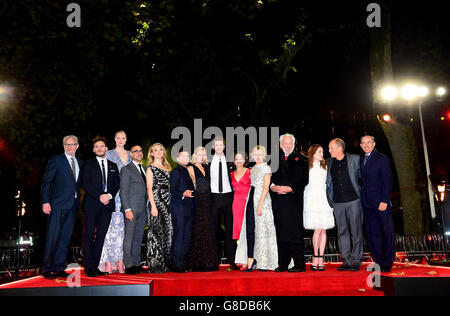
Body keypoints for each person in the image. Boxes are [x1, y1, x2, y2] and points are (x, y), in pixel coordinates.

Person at [41, 135, 83, 279]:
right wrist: (45, 201)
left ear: (77, 146)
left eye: (72, 144)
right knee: (52, 236)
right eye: (66, 144)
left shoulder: (80, 162)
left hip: (73, 206)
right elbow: (46, 182)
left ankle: (59, 267)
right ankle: (46, 268)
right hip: (57, 205)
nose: (69, 147)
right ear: (63, 146)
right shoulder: (56, 160)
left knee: (65, 238)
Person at [81, 136, 120, 277]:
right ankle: (87, 267)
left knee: (101, 237)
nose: (99, 148)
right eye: (96, 146)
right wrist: (100, 196)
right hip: (92, 204)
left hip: (107, 206)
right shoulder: (88, 164)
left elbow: (117, 185)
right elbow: (85, 183)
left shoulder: (113, 166)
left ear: (106, 149)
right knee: (89, 235)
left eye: (102, 146)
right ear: (93, 150)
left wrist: (109, 196)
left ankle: (95, 266)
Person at [235, 145, 278, 271]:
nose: (258, 156)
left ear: (264, 155)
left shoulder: (266, 168)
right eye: (256, 154)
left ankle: (264, 261)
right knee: (251, 230)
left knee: (263, 230)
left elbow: (266, 188)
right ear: (253, 156)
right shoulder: (252, 169)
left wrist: (259, 205)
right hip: (251, 199)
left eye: (260, 154)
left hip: (262, 201)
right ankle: (252, 260)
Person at [270, 134, 308, 272]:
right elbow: (269, 178)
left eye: (290, 143)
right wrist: (272, 187)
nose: (288, 146)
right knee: (281, 232)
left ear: (294, 144)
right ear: (281, 145)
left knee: (295, 233)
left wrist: (291, 188)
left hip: (294, 202)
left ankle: (299, 264)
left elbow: (304, 180)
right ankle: (283, 264)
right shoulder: (273, 160)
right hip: (278, 202)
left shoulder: (302, 160)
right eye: (285, 143)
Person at [326, 138, 363, 272]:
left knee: (356, 231)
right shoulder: (328, 162)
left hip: (353, 201)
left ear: (339, 148)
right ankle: (346, 261)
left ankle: (356, 261)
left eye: (331, 148)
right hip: (337, 203)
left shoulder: (355, 159)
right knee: (342, 233)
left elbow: (362, 178)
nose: (329, 150)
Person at [360, 135, 395, 272]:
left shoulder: (382, 159)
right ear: (361, 146)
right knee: (372, 234)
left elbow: (388, 181)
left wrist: (384, 200)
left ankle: (388, 262)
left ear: (374, 144)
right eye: (363, 143)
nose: (366, 145)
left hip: (381, 203)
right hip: (367, 204)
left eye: (369, 142)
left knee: (386, 232)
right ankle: (379, 262)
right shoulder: (363, 159)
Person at [99, 131, 132, 274]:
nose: (120, 140)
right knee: (109, 229)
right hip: (113, 195)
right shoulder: (109, 154)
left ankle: (120, 262)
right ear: (114, 139)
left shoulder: (131, 154)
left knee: (123, 231)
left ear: (126, 139)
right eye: (118, 137)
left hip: (128, 196)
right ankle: (108, 262)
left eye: (123, 138)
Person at [186, 147, 220, 271]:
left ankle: (209, 262)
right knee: (198, 230)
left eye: (203, 154)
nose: (201, 156)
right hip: (197, 202)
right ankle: (197, 263)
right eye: (199, 154)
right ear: (195, 155)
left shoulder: (207, 168)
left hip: (208, 202)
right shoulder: (190, 168)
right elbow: (188, 185)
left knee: (208, 230)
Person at [303, 145, 335, 271]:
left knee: (323, 229)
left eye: (322, 151)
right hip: (311, 199)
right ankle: (315, 257)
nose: (322, 153)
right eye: (319, 151)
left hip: (323, 199)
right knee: (317, 229)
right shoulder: (307, 167)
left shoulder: (325, 166)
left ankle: (321, 257)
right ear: (313, 153)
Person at [209, 136, 238, 269]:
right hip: (213, 197)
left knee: (230, 230)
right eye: (216, 145)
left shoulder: (231, 162)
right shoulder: (207, 162)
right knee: (213, 230)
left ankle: (233, 261)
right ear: (213, 147)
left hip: (228, 197)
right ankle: (214, 261)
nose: (219, 147)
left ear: (224, 146)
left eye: (221, 144)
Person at [120, 145, 148, 275]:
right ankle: (129, 265)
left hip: (143, 209)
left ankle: (136, 264)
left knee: (138, 238)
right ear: (131, 154)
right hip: (131, 209)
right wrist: (127, 209)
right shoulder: (126, 169)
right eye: (135, 151)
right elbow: (123, 191)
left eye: (140, 151)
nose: (138, 153)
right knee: (129, 238)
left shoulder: (145, 169)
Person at [146, 143, 172, 273]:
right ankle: (156, 264)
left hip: (167, 200)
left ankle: (167, 262)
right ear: (151, 153)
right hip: (156, 200)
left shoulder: (167, 167)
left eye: (160, 149)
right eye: (155, 150)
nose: (158, 152)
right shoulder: (150, 168)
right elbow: (149, 189)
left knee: (168, 231)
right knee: (156, 232)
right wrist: (153, 206)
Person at [169, 150, 195, 273]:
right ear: (178, 159)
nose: (185, 158)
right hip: (179, 209)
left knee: (186, 237)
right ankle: (176, 264)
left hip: (188, 209)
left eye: (187, 156)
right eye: (183, 156)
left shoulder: (186, 171)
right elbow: (172, 190)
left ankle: (182, 263)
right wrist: (182, 193)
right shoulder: (175, 171)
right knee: (179, 236)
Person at [231, 153, 251, 241]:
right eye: (237, 159)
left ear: (245, 160)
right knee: (237, 224)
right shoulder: (231, 174)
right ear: (234, 161)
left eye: (241, 159)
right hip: (236, 202)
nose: (239, 161)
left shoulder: (250, 171)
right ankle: (239, 248)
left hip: (247, 201)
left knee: (248, 224)